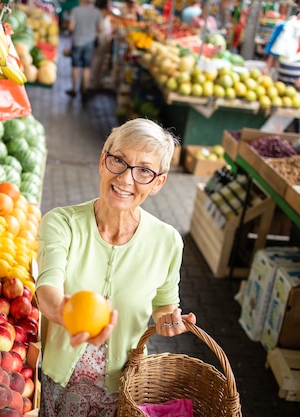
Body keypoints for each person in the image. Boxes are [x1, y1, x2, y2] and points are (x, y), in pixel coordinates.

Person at [35, 118, 198, 417]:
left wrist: (168, 319)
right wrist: (64, 314)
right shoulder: (61, 223)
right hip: (59, 382)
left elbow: (164, 304)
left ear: (159, 182)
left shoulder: (168, 241)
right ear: (102, 161)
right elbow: (46, 289)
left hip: (125, 389)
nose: (125, 179)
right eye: (119, 161)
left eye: (144, 171)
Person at [66, 0, 103, 98]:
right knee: (87, 67)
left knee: (75, 66)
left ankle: (74, 89)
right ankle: (85, 89)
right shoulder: (96, 12)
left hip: (77, 41)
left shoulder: (75, 10)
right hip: (90, 43)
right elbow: (100, 28)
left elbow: (71, 27)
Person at [90, 0, 114, 91]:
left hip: (99, 38)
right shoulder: (103, 12)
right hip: (101, 39)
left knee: (96, 60)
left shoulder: (96, 11)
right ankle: (93, 81)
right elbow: (99, 27)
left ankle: (94, 81)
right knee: (97, 60)